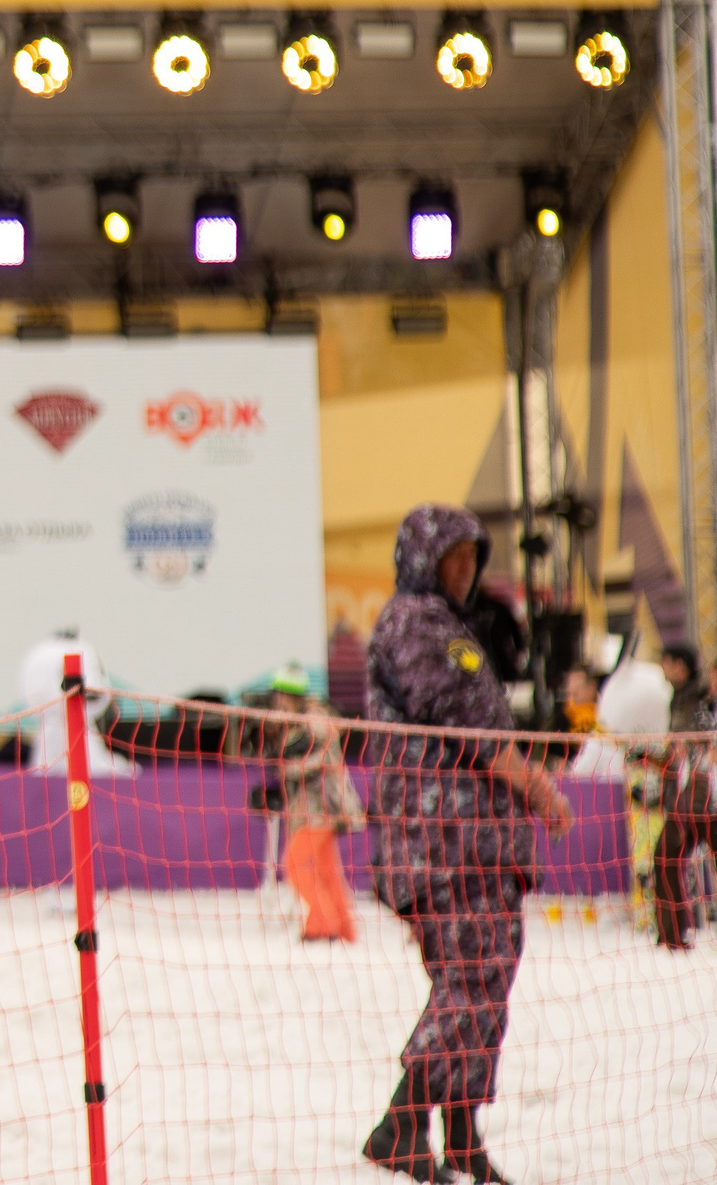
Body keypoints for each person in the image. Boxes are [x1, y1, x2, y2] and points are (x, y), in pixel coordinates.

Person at [362, 505, 573, 1184]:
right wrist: (537, 787)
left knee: (482, 980)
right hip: (447, 839)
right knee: (473, 980)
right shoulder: (417, 621)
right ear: (421, 557)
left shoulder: (447, 623)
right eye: (450, 555)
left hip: (467, 837)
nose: (463, 568)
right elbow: (471, 725)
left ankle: (462, 1140)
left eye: (469, 556)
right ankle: (401, 1121)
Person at [269, 664, 361, 943]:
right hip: (311, 808)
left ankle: (324, 924)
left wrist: (290, 766)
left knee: (295, 865)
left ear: (293, 696)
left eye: (283, 694)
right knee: (326, 870)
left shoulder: (313, 719)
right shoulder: (294, 723)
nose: (278, 699)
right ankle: (343, 928)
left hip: (322, 807)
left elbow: (321, 756)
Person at [16, 629, 138, 778]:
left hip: (80, 734)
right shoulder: (55, 654)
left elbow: (95, 692)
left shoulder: (80, 652)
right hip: (58, 735)